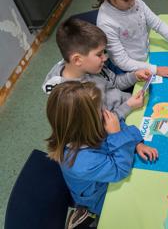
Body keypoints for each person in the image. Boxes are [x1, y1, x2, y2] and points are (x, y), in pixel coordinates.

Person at [45, 81, 158, 228]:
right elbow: (120, 170)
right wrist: (116, 134)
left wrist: (137, 142)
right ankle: (85, 215)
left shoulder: (86, 127)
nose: (106, 110)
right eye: (100, 109)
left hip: (108, 170)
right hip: (100, 197)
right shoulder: (80, 162)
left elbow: (119, 123)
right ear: (87, 121)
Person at [42, 18, 150, 119]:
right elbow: (100, 127)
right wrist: (128, 106)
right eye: (99, 54)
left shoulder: (90, 67)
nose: (105, 57)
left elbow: (114, 83)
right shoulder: (76, 98)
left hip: (128, 103)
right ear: (77, 60)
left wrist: (134, 76)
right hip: (121, 117)